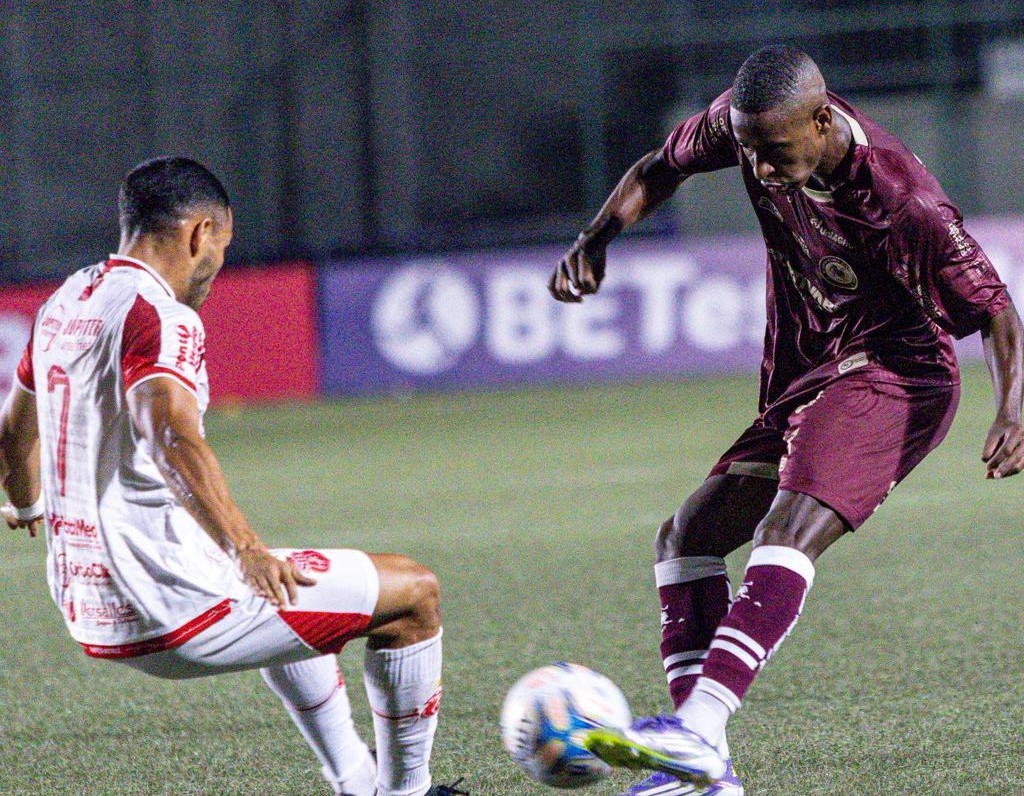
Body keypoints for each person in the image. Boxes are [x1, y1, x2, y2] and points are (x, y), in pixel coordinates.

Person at [550, 45, 1024, 795]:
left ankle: (696, 729)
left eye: (773, 151)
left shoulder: (902, 198)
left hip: (896, 373)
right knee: (685, 538)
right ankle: (702, 771)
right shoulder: (745, 125)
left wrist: (1012, 411)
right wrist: (596, 237)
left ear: (822, 120)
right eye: (748, 151)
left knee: (786, 529)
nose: (759, 168)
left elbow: (996, 310)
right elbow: (659, 167)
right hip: (810, 371)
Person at [0, 156, 466, 796]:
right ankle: (406, 792)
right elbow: (169, 434)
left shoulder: (65, 301)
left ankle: (357, 780)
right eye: (222, 244)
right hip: (167, 603)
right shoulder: (157, 314)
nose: (219, 265)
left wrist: (27, 506)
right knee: (414, 593)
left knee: (297, 582)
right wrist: (243, 548)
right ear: (199, 233)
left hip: (87, 606)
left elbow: (13, 431)